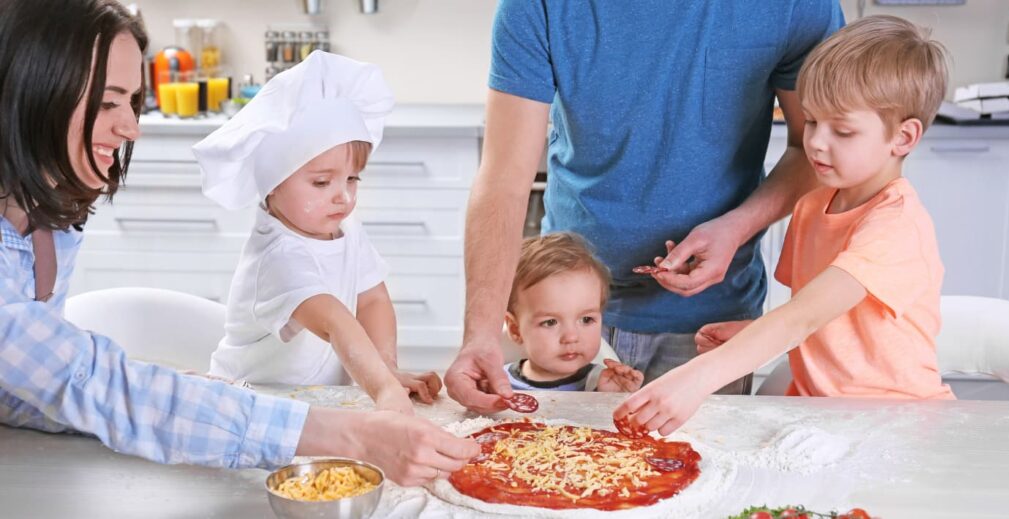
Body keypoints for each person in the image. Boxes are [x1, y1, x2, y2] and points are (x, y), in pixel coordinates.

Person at [0, 0, 476, 486]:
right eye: (107, 102)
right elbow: (87, 381)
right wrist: (355, 436)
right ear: (32, 90)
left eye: (133, 102)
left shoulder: (49, 222)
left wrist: (177, 395)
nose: (131, 128)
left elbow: (31, 385)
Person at [445, 0, 844, 413]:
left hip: (708, 322)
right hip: (565, 306)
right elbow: (504, 179)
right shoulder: (539, 6)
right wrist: (481, 333)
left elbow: (816, 152)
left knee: (699, 470)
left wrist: (736, 227)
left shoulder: (796, 5)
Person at [615, 15, 956, 436]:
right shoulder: (813, 204)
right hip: (818, 415)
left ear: (903, 138)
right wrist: (752, 335)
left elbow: (802, 318)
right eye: (811, 121)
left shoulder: (897, 227)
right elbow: (828, 318)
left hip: (894, 422)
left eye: (843, 131)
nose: (814, 141)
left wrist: (698, 377)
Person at [193, 51, 441, 413]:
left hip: (311, 404)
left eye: (352, 179)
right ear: (273, 184)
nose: (343, 196)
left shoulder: (344, 229)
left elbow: (372, 299)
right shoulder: (278, 256)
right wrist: (384, 390)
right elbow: (335, 321)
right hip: (249, 402)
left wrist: (386, 368)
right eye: (322, 182)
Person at [502, 232, 643, 392]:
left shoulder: (605, 384)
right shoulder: (495, 383)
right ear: (515, 329)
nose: (571, 337)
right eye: (550, 322)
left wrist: (612, 400)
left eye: (586, 319)